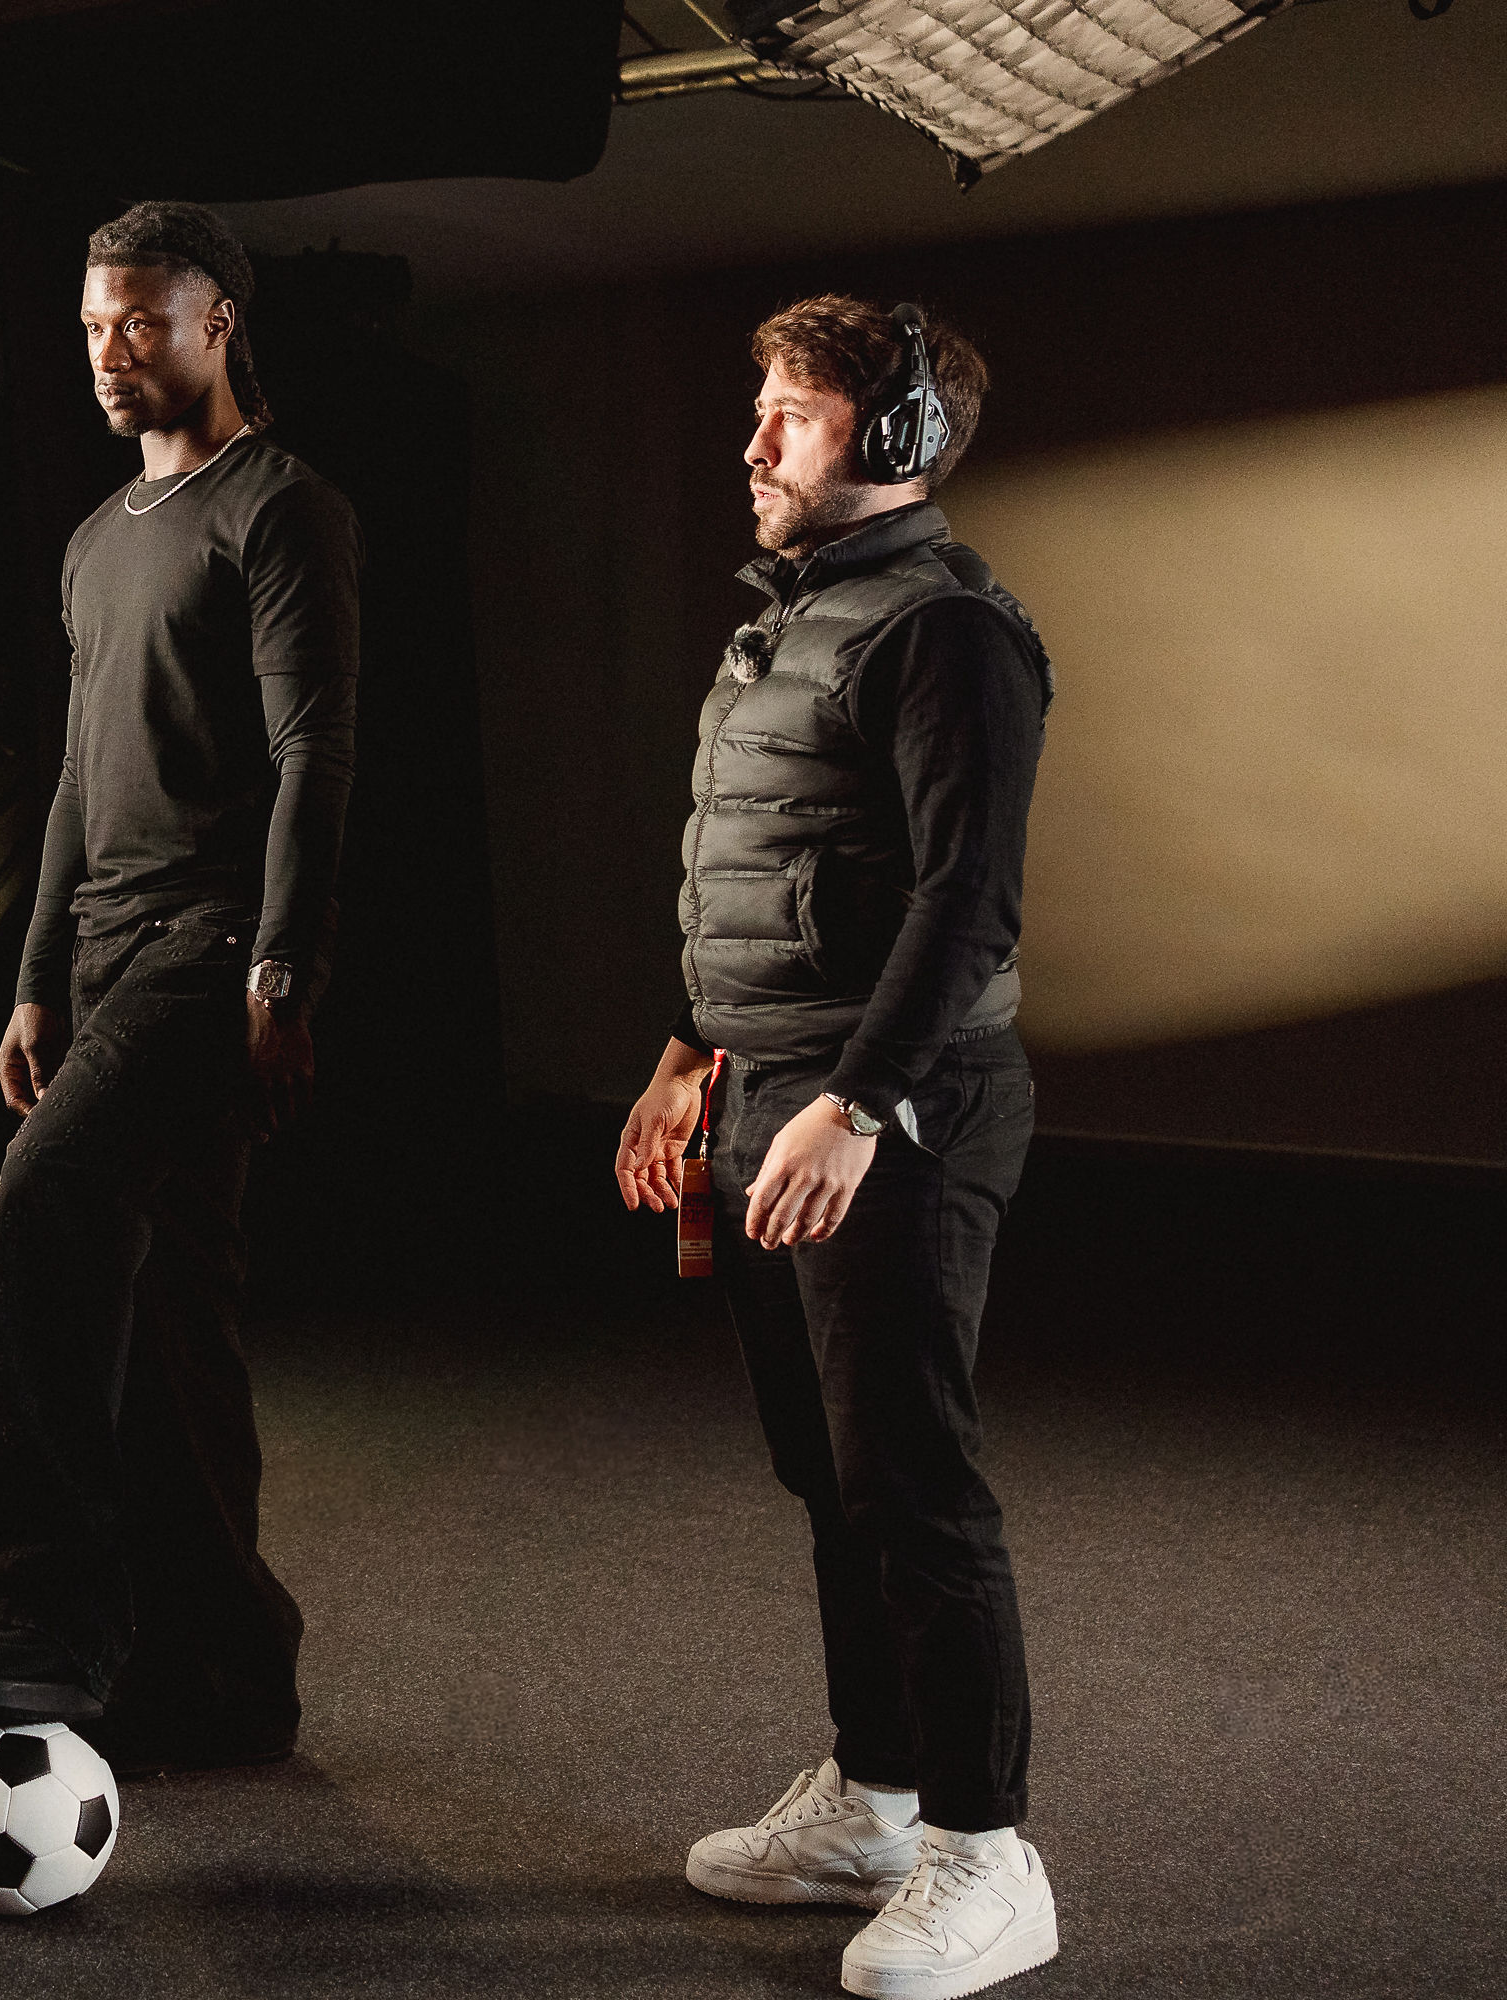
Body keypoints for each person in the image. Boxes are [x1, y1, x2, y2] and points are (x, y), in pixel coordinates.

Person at [614, 296, 1058, 2000]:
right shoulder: (796, 618)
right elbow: (769, 863)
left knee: (912, 1482)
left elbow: (967, 903)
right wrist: (689, 1052)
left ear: (896, 437)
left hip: (897, 1113)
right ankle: (878, 1800)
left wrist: (858, 1103)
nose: (753, 442)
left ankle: (989, 1856)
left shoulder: (950, 632)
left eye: (789, 415)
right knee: (830, 1475)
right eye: (763, 409)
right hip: (766, 1091)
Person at [0, 201, 360, 1774]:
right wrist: (37, 976)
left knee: (49, 1196)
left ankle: (19, 1602)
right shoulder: (99, 536)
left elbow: (313, 752)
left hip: (211, 942)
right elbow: (70, 778)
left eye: (142, 324)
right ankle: (225, 1670)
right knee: (177, 1322)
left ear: (218, 323)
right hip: (103, 949)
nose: (111, 352)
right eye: (95, 326)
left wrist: (283, 970)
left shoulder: (283, 509)